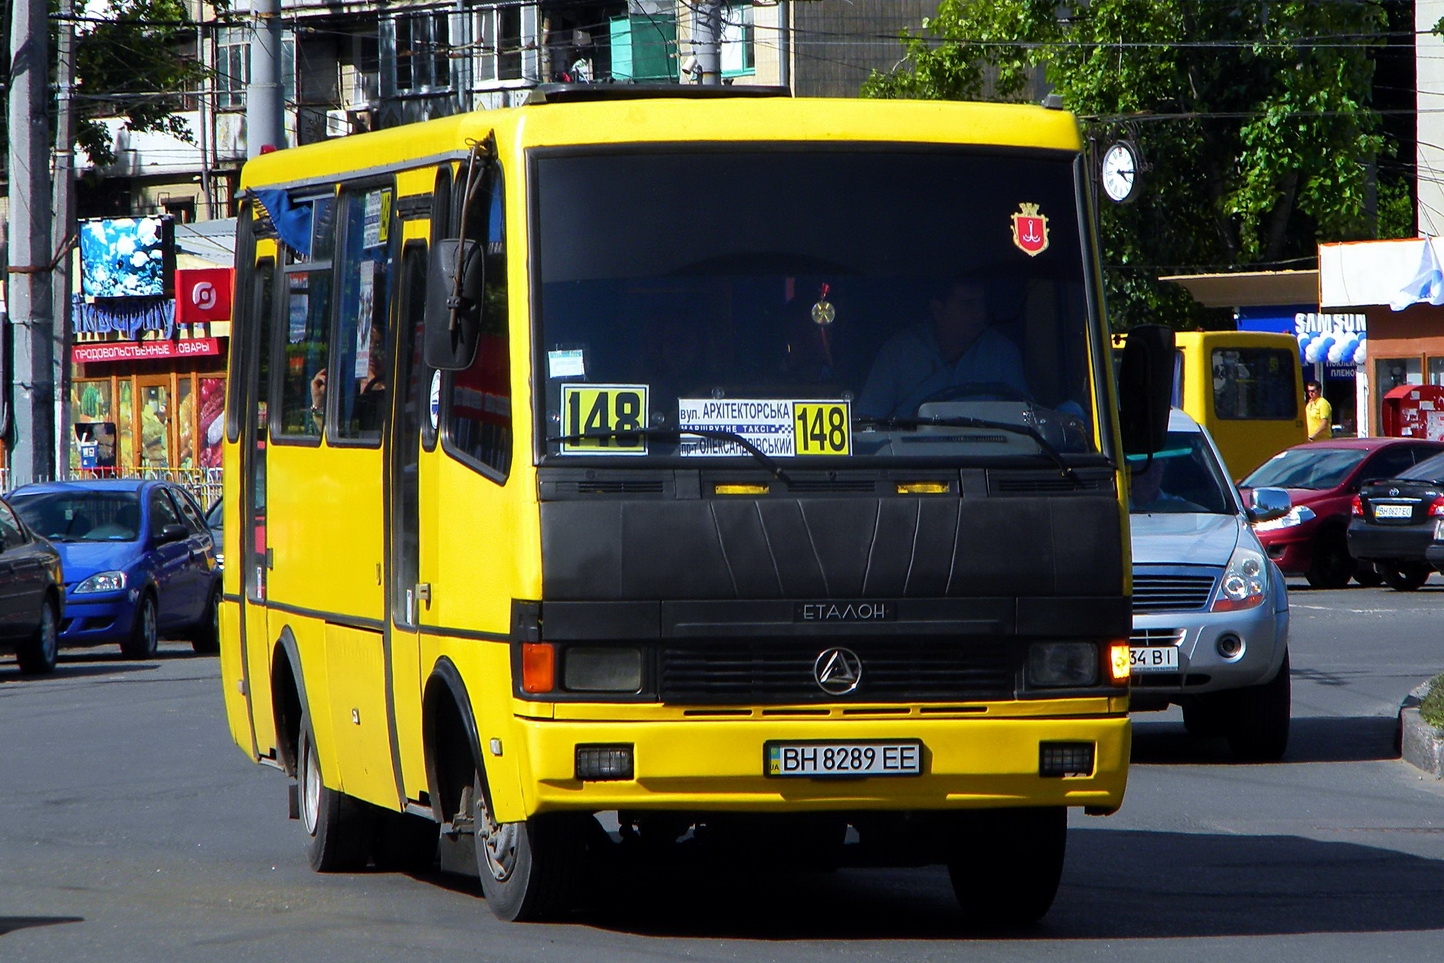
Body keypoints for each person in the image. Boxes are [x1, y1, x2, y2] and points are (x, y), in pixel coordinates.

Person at [857, 280, 1028, 419]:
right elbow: (868, 421)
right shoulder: (899, 352)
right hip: (914, 459)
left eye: (981, 303)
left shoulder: (1003, 353)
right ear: (938, 309)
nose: (979, 313)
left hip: (993, 460)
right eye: (967, 304)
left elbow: (1024, 419)